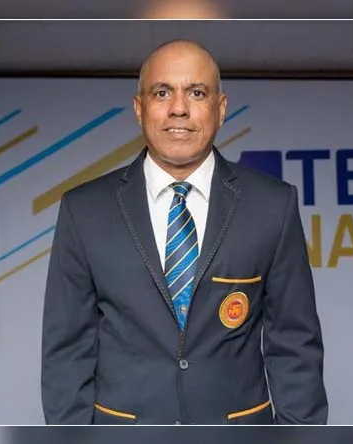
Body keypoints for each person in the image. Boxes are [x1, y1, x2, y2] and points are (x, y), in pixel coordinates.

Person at [40, 39, 327, 425]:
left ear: (220, 108)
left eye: (196, 92)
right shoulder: (84, 210)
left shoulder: (273, 205)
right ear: (139, 108)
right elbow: (65, 352)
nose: (179, 108)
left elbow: (295, 345)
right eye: (162, 92)